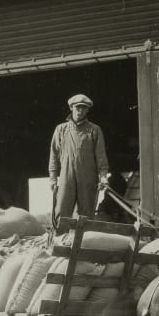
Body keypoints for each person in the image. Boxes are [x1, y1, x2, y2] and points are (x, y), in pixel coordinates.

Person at [49, 93, 110, 222]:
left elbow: (101, 155)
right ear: (71, 107)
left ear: (88, 110)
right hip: (67, 176)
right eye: (78, 107)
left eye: (84, 108)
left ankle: (85, 240)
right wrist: (53, 178)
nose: (80, 110)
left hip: (88, 178)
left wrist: (103, 176)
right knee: (61, 211)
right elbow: (53, 155)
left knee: (86, 214)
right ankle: (59, 239)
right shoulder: (60, 129)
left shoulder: (94, 130)